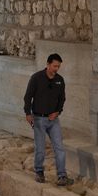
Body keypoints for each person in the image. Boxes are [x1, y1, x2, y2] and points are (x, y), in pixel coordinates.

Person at [24, 53, 73, 186]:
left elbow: (62, 99)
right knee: (40, 148)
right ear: (48, 64)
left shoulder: (60, 80)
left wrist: (57, 112)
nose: (56, 69)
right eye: (54, 66)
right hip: (38, 118)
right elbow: (28, 97)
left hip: (53, 120)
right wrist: (28, 114)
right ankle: (39, 172)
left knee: (59, 148)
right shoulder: (36, 78)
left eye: (58, 66)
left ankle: (62, 176)